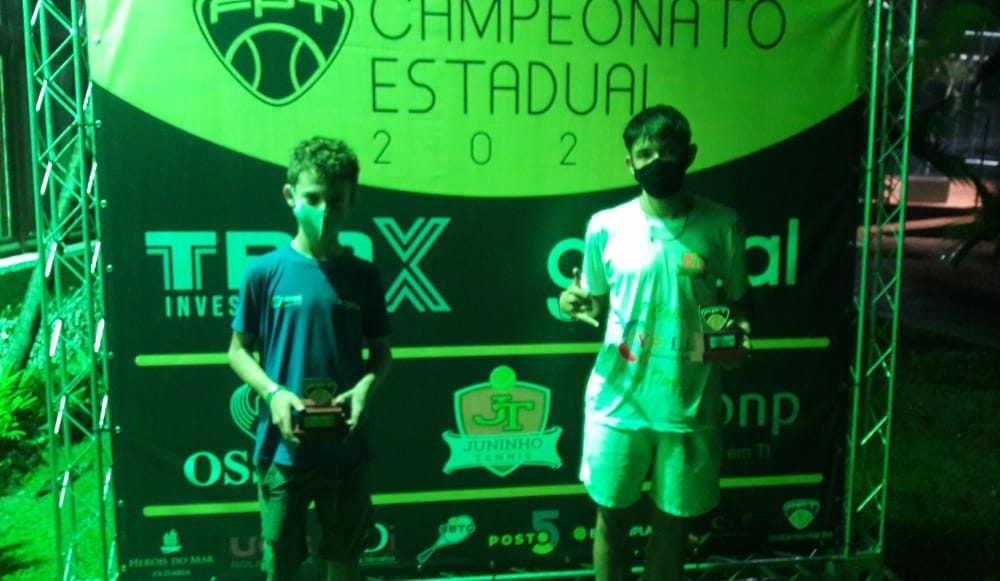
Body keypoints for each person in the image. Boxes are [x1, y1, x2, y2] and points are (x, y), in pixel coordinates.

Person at [559, 105, 751, 581]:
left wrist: (737, 340)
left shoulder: (722, 224)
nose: (657, 162)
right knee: (611, 523)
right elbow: (594, 301)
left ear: (690, 155)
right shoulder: (605, 226)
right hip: (617, 404)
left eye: (668, 151)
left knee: (673, 530)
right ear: (629, 163)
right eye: (645, 154)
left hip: (689, 406)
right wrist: (570, 302)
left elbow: (735, 303)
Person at [228, 137, 392, 581]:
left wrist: (364, 387)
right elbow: (238, 351)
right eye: (313, 198)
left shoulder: (364, 276)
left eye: (336, 201)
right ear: (290, 196)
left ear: (352, 200)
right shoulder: (263, 271)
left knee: (345, 559)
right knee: (281, 567)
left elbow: (382, 352)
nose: (324, 210)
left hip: (347, 450)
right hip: (283, 450)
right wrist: (274, 394)